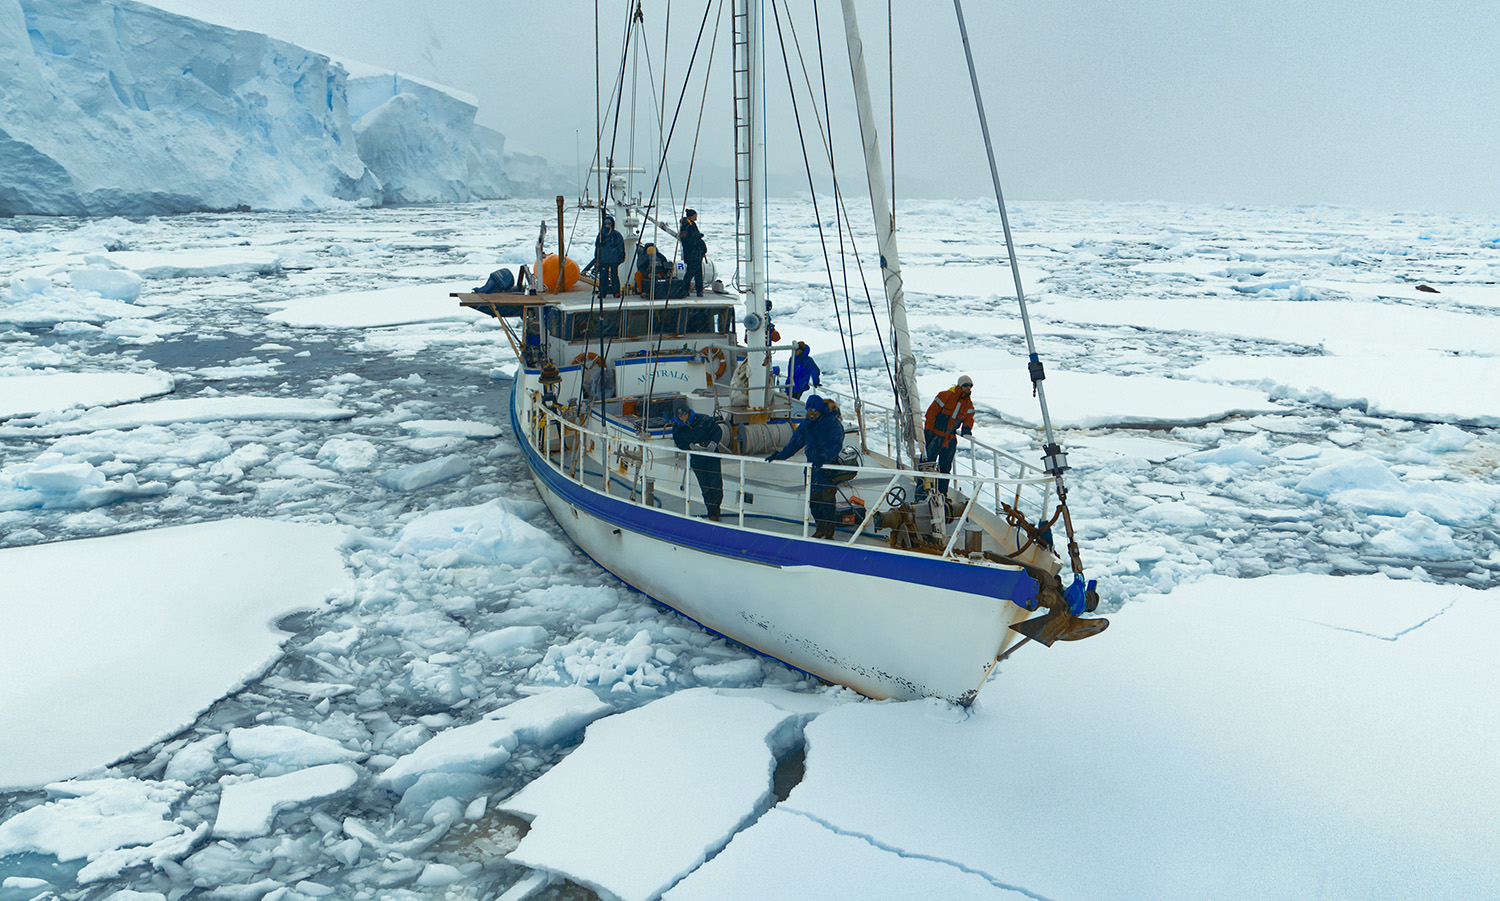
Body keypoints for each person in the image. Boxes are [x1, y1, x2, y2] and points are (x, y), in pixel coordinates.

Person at [765, 394, 844, 539]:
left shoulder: (833, 423)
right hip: (812, 470)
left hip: (827, 470)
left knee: (827, 503)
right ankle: (820, 528)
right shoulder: (806, 425)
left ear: (820, 409)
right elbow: (794, 444)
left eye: (814, 410)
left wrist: (824, 458)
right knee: (814, 502)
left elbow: (836, 445)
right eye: (808, 409)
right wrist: (779, 455)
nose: (811, 413)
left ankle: (829, 533)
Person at [923, 374, 975, 495]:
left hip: (950, 440)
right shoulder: (945, 395)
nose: (969, 388)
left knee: (945, 469)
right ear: (960, 385)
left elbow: (969, 417)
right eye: (966, 385)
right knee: (927, 466)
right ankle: (923, 493)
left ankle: (942, 494)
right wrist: (928, 431)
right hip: (935, 436)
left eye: (970, 386)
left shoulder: (968, 403)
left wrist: (966, 428)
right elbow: (931, 413)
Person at [672, 402, 723, 521]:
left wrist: (713, 443)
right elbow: (679, 443)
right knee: (705, 487)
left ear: (688, 412)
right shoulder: (677, 427)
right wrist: (691, 447)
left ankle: (716, 507)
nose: (683, 417)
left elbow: (717, 430)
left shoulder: (703, 419)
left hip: (712, 457)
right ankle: (712, 513)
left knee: (717, 486)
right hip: (697, 460)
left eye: (685, 413)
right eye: (680, 415)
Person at [679, 208, 707, 297]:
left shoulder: (691, 225)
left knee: (698, 273)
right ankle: (684, 290)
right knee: (690, 272)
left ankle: (699, 290)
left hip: (696, 253)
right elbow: (687, 240)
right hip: (692, 253)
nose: (696, 217)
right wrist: (697, 238)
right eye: (695, 216)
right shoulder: (686, 226)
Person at [595, 215, 625, 298]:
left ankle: (616, 292)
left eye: (609, 223)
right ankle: (602, 292)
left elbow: (620, 246)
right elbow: (597, 247)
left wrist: (621, 257)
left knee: (614, 276)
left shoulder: (616, 235)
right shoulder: (601, 235)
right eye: (606, 223)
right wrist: (597, 257)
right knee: (603, 276)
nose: (608, 225)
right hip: (604, 259)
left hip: (614, 259)